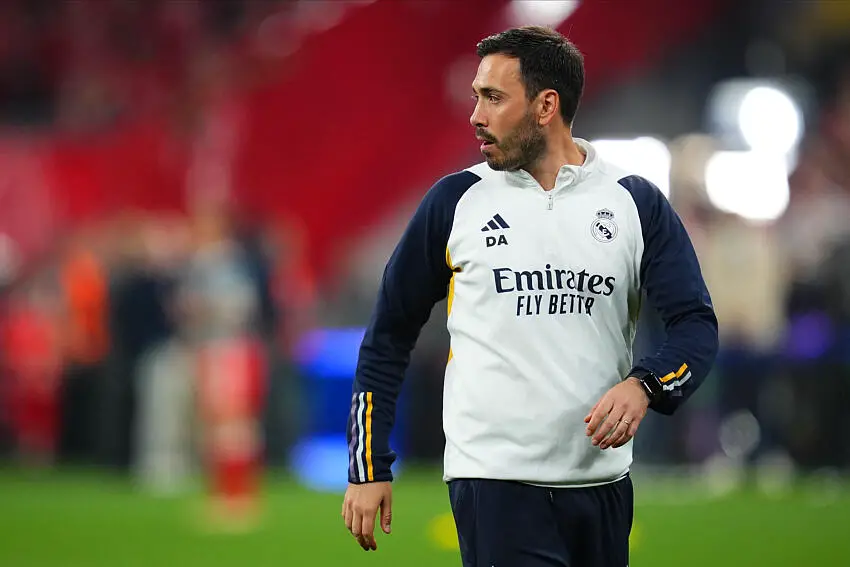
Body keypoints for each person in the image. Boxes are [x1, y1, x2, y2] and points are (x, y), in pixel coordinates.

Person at [341, 25, 718, 566]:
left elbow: (695, 325)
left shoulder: (634, 203)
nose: (476, 115)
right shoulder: (455, 202)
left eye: (494, 98)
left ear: (546, 106)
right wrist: (368, 466)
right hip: (495, 486)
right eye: (477, 97)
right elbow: (387, 336)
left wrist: (645, 385)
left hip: (603, 485)